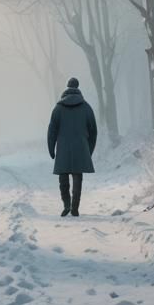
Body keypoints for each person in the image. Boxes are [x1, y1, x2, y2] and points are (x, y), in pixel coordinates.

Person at [47, 76, 97, 217]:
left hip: (63, 148)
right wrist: (89, 150)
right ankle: (75, 207)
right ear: (77, 88)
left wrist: (51, 149)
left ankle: (66, 205)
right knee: (77, 177)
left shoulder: (58, 108)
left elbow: (52, 131)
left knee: (63, 178)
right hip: (81, 147)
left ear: (67, 88)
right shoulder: (86, 107)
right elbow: (93, 131)